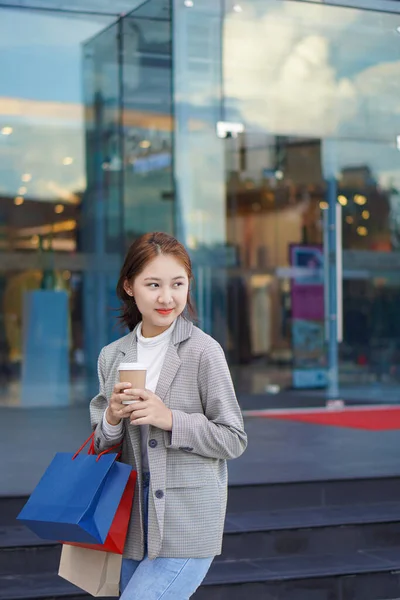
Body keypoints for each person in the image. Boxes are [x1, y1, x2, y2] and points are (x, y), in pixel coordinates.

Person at [90, 232, 248, 600]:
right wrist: (112, 418)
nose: (167, 297)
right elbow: (99, 442)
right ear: (129, 286)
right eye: (153, 284)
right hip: (130, 524)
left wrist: (171, 418)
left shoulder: (204, 352)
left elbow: (234, 438)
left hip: (186, 521)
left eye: (178, 284)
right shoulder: (112, 356)